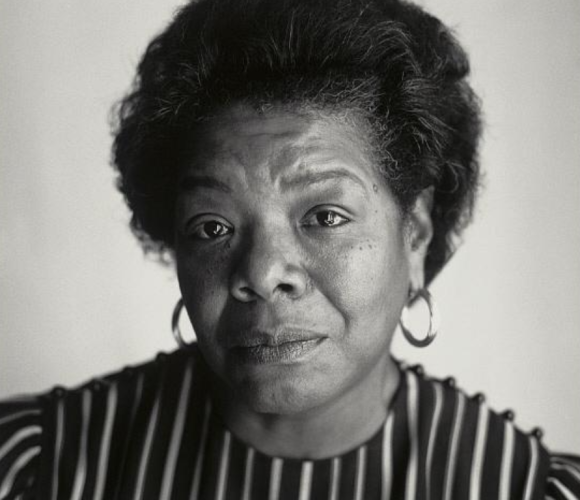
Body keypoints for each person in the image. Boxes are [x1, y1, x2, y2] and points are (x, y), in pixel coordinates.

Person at [0, 0, 578, 498]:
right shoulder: (39, 470)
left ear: (417, 232)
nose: (262, 271)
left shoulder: (520, 486)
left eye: (324, 216)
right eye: (212, 226)